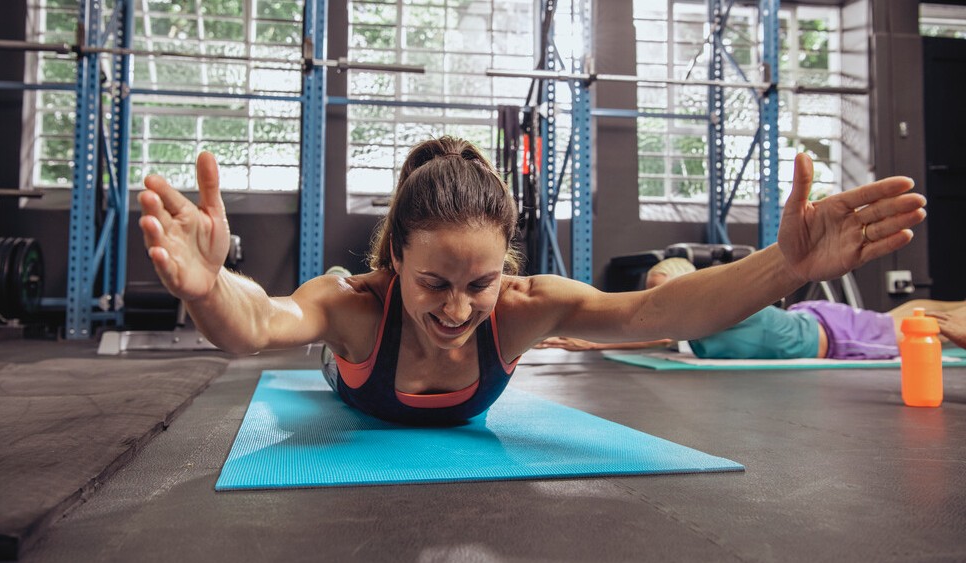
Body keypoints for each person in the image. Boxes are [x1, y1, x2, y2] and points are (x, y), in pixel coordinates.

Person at [138, 136, 926, 425]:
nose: (456, 308)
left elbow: (658, 307)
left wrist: (787, 264)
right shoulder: (358, 305)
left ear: (505, 269)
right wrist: (209, 288)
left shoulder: (518, 312)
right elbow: (264, 322)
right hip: (347, 350)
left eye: (478, 282)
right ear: (396, 263)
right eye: (433, 281)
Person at [538, 257, 966, 359]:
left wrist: (594, 342)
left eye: (664, 293)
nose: (658, 304)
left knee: (918, 330)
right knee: (902, 316)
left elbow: (659, 332)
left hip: (833, 336)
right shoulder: (697, 328)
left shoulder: (709, 309)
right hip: (814, 321)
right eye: (654, 295)